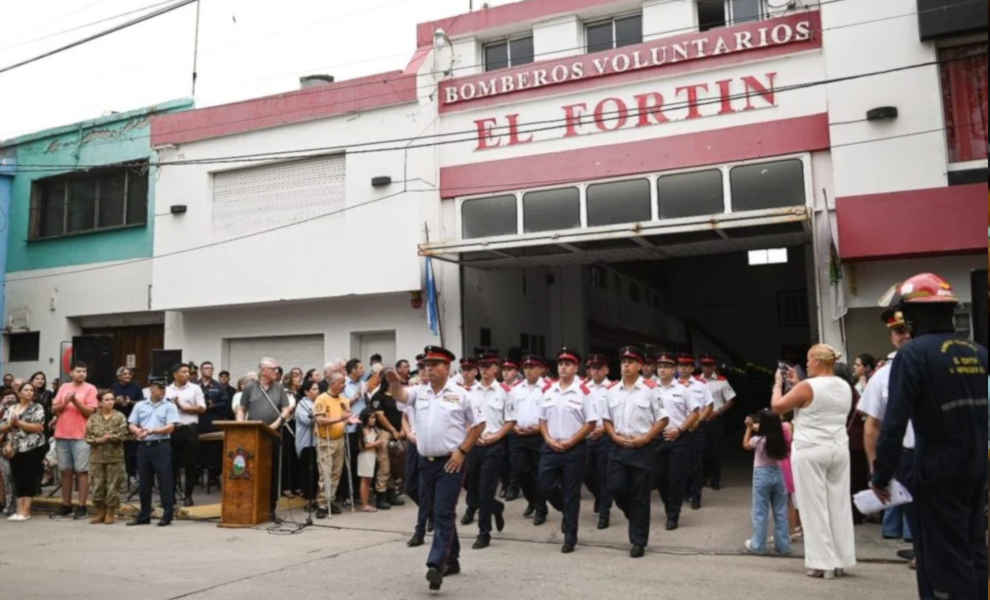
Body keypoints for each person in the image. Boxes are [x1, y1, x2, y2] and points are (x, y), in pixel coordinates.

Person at [871, 273, 988, 599]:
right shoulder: (978, 352)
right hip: (976, 468)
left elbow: (893, 423)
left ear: (912, 316)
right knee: (974, 548)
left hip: (936, 471)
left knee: (942, 559)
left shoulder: (913, 355)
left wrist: (881, 474)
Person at [386, 345, 485, 592]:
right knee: (428, 504)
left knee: (442, 512)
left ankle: (435, 564)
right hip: (424, 461)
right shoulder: (420, 392)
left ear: (447, 368)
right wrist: (393, 382)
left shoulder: (461, 394)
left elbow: (478, 425)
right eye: (426, 365)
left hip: (449, 462)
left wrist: (462, 452)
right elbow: (399, 395)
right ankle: (452, 558)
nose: (428, 369)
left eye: (434, 365)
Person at [772, 343, 855, 579]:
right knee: (837, 503)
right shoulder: (844, 386)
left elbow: (777, 407)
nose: (806, 364)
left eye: (808, 359)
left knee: (813, 506)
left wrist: (778, 385)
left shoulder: (808, 386)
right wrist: (798, 384)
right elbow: (817, 400)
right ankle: (841, 558)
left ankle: (822, 562)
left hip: (811, 449)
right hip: (838, 448)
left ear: (817, 361)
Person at [604, 346, 668, 558]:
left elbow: (663, 419)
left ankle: (638, 541)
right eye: (623, 361)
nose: (626, 365)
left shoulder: (651, 389)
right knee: (616, 488)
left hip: (642, 448)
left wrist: (646, 438)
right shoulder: (612, 390)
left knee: (640, 496)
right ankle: (635, 518)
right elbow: (606, 419)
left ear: (640, 365)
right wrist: (613, 436)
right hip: (618, 446)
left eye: (631, 362)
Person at [860, 309, 916, 550]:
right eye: (898, 331)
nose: (904, 336)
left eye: (907, 329)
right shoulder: (883, 376)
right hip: (905, 455)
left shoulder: (942, 362)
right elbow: (871, 425)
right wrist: (875, 466)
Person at [539, 347, 597, 554]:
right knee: (544, 486)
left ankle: (570, 536)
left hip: (574, 448)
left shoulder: (584, 391)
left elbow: (590, 423)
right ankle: (565, 510)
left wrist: (572, 441)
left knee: (572, 493)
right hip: (551, 446)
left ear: (576, 367)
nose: (563, 367)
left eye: (568, 364)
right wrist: (547, 439)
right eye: (561, 364)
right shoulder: (548, 390)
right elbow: (542, 420)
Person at [236, 357, 293, 520]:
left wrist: (276, 423)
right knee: (252, 470)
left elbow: (286, 408)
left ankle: (271, 509)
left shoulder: (279, 388)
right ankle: (251, 507)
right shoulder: (250, 388)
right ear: (263, 371)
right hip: (253, 435)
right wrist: (241, 423)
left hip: (273, 433)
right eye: (273, 369)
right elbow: (242, 408)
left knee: (272, 471)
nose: (276, 371)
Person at [470, 351, 514, 549]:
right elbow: (465, 418)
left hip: (494, 445)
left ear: (496, 369)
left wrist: (497, 436)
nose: (484, 371)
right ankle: (496, 507)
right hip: (474, 443)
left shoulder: (504, 391)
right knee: (471, 489)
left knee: (486, 488)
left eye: (488, 367)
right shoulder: (471, 391)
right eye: (481, 367)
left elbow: (510, 420)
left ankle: (484, 532)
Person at [655, 352, 698, 530]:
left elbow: (694, 412)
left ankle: (673, 514)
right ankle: (669, 505)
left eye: (666, 366)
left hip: (679, 438)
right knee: (659, 478)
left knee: (675, 478)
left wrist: (680, 429)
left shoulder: (683, 390)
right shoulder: (650, 389)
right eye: (660, 366)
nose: (662, 369)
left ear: (674, 370)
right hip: (658, 438)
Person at [127, 380, 180, 526]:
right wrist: (137, 431)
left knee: (165, 481)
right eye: (153, 390)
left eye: (158, 390)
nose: (155, 392)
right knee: (144, 482)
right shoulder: (140, 405)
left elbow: (170, 427)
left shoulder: (169, 406)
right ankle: (144, 515)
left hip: (161, 446)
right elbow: (131, 423)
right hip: (143, 446)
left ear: (163, 392)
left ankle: (167, 515)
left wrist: (152, 431)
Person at [51, 361, 98, 519]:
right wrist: (65, 402)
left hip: (81, 436)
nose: (81, 374)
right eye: (78, 371)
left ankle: (82, 505)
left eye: (84, 371)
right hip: (62, 433)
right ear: (71, 373)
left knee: (82, 471)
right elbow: (53, 408)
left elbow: (89, 413)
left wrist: (76, 402)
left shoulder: (90, 388)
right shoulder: (64, 387)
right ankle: (66, 504)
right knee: (65, 471)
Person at [742, 410, 791, 556]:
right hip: (778, 474)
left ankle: (758, 545)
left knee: (760, 512)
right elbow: (771, 428)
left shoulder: (759, 440)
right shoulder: (782, 438)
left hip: (762, 475)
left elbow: (745, 444)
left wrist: (749, 427)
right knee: (781, 511)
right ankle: (783, 546)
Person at [509, 355, 549, 525]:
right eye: (525, 367)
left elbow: (551, 413)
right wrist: (513, 427)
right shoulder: (515, 389)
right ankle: (532, 500)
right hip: (518, 435)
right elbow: (509, 411)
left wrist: (541, 428)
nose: (529, 370)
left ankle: (540, 507)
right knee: (520, 472)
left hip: (538, 436)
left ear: (541, 369)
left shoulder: (548, 388)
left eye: (533, 367)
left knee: (538, 474)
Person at [1, 383, 46, 521]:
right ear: (19, 393)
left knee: (28, 478)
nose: (29, 392)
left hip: (32, 446)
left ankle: (26, 511)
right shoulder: (11, 408)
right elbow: (3, 426)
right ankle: (19, 510)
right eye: (26, 390)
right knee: (17, 477)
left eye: (31, 390)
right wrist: (8, 439)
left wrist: (19, 423)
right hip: (15, 446)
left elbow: (39, 427)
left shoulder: (37, 407)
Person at [84, 390, 129, 524]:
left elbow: (124, 434)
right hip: (97, 458)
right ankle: (100, 512)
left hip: (115, 457)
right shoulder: (93, 418)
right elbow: (87, 436)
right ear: (100, 402)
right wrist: (99, 440)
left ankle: (110, 512)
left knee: (113, 486)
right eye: (107, 400)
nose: (110, 402)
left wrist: (110, 437)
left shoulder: (119, 416)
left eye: (112, 399)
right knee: (97, 485)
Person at [166, 363, 206, 507]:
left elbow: (202, 408)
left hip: (190, 429)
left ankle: (188, 495)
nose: (187, 374)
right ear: (175, 374)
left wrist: (183, 406)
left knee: (191, 464)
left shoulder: (195, 388)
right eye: (183, 372)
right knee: (172, 465)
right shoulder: (167, 390)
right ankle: (171, 496)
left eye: (188, 372)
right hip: (173, 429)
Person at [678, 353, 713, 510]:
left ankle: (696, 496)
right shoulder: (672, 384)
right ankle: (684, 492)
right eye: (681, 366)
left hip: (696, 428)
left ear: (692, 368)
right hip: (678, 430)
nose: (683, 369)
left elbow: (709, 405)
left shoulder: (701, 385)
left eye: (686, 366)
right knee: (681, 462)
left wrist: (697, 421)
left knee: (696, 463)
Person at [583, 353, 614, 530]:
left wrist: (603, 429)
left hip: (605, 436)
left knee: (604, 475)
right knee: (587, 474)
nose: (595, 371)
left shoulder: (613, 388)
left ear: (606, 370)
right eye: (593, 368)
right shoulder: (582, 388)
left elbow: (617, 414)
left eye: (599, 368)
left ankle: (605, 512)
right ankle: (600, 497)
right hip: (586, 436)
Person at [314, 372, 351, 516]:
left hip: (339, 438)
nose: (344, 385)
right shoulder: (321, 399)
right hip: (326, 440)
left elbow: (347, 415)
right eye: (341, 382)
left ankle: (331, 499)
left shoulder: (343, 399)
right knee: (325, 472)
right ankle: (322, 504)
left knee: (336, 472)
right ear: (333, 384)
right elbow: (320, 420)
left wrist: (348, 418)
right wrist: (339, 419)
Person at [368, 375, 407, 507]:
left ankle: (392, 493)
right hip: (383, 433)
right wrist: (392, 430)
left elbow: (404, 413)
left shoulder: (399, 396)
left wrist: (402, 429)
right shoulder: (378, 396)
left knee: (395, 465)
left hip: (399, 433)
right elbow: (379, 415)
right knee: (384, 465)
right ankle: (381, 496)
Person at [699, 355, 736, 490]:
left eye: (709, 365)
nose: (707, 368)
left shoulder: (722, 381)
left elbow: (730, 400)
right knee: (702, 450)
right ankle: (702, 478)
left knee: (715, 450)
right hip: (700, 419)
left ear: (714, 367)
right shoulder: (697, 381)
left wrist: (718, 412)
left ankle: (715, 480)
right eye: (704, 365)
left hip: (716, 419)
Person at [198, 361, 233, 488]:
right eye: (206, 368)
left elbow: (225, 404)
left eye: (211, 368)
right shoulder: (194, 385)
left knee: (214, 451)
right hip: (198, 422)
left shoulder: (219, 386)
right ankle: (197, 475)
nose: (209, 370)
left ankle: (213, 477)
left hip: (213, 421)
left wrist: (214, 405)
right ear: (201, 370)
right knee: (198, 450)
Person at [459, 357, 484, 525]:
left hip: (476, 438)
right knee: (464, 478)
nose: (466, 372)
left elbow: (482, 414)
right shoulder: (456, 389)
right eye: (463, 370)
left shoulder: (481, 390)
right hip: (457, 439)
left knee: (474, 476)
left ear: (476, 372)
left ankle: (472, 507)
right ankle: (486, 503)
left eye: (469, 369)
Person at [110, 367, 143, 489]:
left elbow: (141, 403)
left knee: (132, 451)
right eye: (124, 374)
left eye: (129, 374)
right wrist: (116, 401)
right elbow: (108, 402)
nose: (128, 376)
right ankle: (118, 477)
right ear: (118, 376)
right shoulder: (114, 387)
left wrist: (131, 402)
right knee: (117, 449)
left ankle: (132, 475)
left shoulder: (136, 387)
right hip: (116, 422)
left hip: (132, 421)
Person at [293, 380, 321, 517]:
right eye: (314, 389)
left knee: (316, 473)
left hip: (317, 443)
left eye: (317, 389)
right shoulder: (302, 405)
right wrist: (320, 416)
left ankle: (316, 499)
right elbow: (308, 421)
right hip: (306, 444)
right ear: (306, 391)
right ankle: (308, 501)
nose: (317, 391)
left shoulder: (318, 403)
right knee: (308, 473)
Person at [357, 409, 383, 512]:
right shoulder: (362, 430)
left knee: (369, 480)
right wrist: (377, 443)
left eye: (374, 417)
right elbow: (362, 446)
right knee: (365, 479)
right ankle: (364, 504)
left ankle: (366, 501)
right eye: (371, 417)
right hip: (365, 456)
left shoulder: (374, 430)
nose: (373, 420)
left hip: (372, 455)